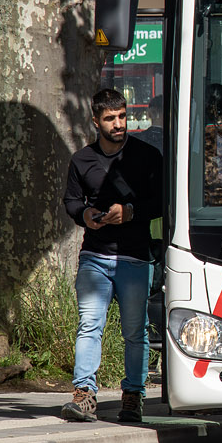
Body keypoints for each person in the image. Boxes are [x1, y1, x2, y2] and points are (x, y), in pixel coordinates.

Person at [61, 88, 162, 423]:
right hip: (95, 255)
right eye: (110, 118)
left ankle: (133, 395)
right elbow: (72, 201)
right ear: (95, 121)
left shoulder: (147, 157)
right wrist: (85, 215)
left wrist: (131, 211)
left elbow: (162, 202)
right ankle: (83, 394)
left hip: (135, 257)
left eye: (122, 116)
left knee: (135, 331)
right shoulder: (82, 160)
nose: (118, 124)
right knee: (90, 325)